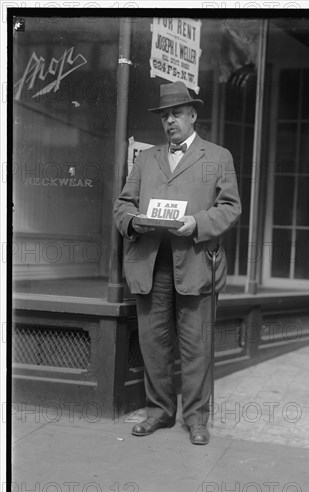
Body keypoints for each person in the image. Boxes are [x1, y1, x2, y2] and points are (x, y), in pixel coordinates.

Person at [113, 81, 241, 445]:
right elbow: (123, 205)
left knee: (196, 347)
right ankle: (159, 412)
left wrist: (197, 223)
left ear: (192, 115)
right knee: (154, 343)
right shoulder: (146, 158)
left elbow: (230, 207)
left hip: (197, 261)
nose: (170, 121)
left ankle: (197, 420)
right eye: (165, 115)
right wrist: (134, 222)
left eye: (177, 114)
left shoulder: (218, 157)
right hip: (151, 264)